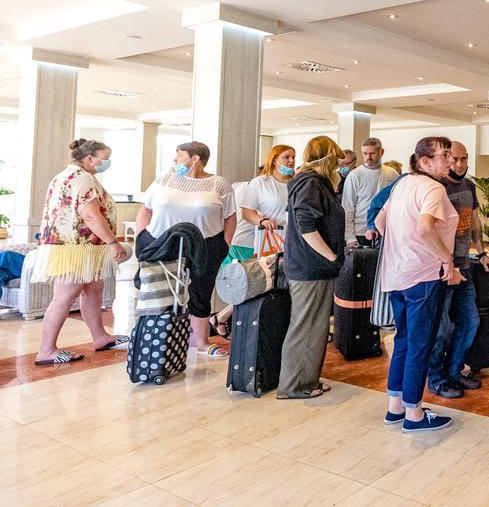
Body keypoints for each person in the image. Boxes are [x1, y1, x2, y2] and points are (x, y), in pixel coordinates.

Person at [376, 136, 462, 432]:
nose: (450, 160)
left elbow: (380, 222)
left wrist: (402, 245)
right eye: (445, 155)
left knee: (403, 340)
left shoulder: (402, 184)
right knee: (419, 345)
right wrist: (447, 261)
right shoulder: (433, 188)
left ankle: (395, 407)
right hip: (423, 276)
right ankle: (414, 412)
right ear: (426, 161)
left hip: (397, 274)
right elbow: (426, 228)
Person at [32, 139, 132, 365]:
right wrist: (113, 242)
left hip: (82, 248)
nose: (106, 163)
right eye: (104, 158)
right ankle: (46, 350)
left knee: (94, 290)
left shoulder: (65, 176)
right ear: (89, 159)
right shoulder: (83, 179)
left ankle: (100, 337)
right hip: (75, 248)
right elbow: (90, 215)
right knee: (64, 298)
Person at [135, 141, 235, 359]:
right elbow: (146, 209)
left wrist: (224, 244)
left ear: (195, 158)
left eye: (179, 156)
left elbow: (230, 216)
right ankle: (158, 336)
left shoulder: (219, 184)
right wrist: (142, 236)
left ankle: (201, 343)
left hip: (206, 243)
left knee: (201, 290)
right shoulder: (165, 179)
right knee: (159, 291)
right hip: (161, 242)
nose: (174, 160)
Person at [425, 140, 489, 399]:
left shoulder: (469, 186)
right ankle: (436, 378)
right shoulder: (435, 187)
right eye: (453, 159)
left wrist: (482, 251)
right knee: (440, 327)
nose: (459, 165)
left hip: (464, 266)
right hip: (440, 269)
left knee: (470, 321)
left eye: (463, 159)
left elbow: (474, 222)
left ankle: (454, 371)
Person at [278, 136, 346, 400]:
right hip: (311, 267)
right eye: (337, 160)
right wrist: (330, 256)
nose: (340, 167)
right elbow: (306, 226)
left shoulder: (308, 183)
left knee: (313, 326)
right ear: (328, 158)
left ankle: (305, 380)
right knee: (306, 327)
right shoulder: (311, 184)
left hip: (309, 265)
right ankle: (294, 386)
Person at [226, 145, 295, 262]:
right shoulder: (260, 182)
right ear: (274, 160)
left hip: (290, 241)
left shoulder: (296, 183)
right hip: (266, 240)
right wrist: (263, 221)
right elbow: (247, 212)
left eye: (293, 157)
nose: (291, 161)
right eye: (286, 157)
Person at [342, 138, 400, 246]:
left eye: (372, 153)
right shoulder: (355, 175)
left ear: (381, 152)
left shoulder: (392, 173)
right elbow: (347, 207)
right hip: (360, 232)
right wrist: (350, 238)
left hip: (385, 230)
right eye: (365, 154)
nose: (368, 157)